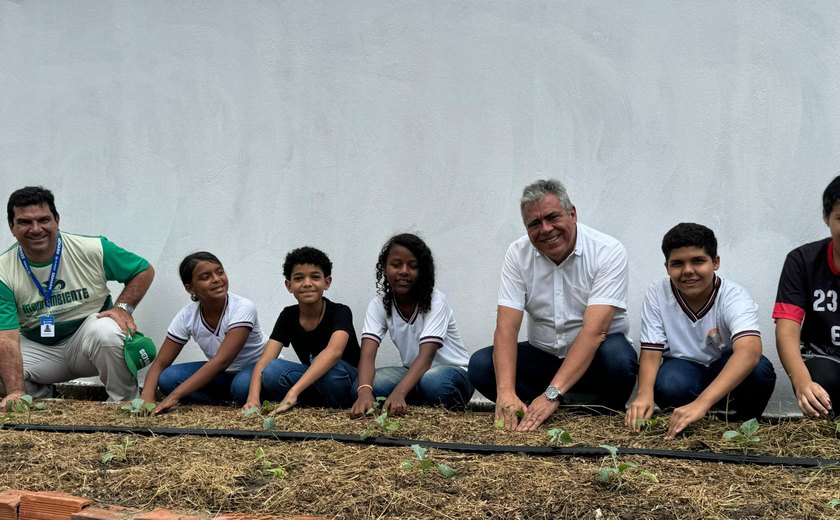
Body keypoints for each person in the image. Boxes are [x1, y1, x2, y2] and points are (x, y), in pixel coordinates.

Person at [468, 179, 637, 431]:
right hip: (544, 356)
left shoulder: (608, 251)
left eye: (553, 217)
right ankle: (562, 407)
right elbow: (506, 327)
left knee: (618, 357)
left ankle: (587, 407)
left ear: (573, 214)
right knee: (481, 364)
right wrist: (504, 392)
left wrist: (551, 394)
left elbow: (595, 331)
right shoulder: (517, 254)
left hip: (595, 358)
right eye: (534, 223)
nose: (546, 229)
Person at [0, 186, 155, 407]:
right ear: (12, 227)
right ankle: (38, 397)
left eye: (43, 220)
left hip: (87, 342)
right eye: (25, 222)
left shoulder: (92, 248)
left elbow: (142, 270)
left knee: (107, 329)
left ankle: (124, 402)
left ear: (57, 220)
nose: (36, 229)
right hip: (40, 347)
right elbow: (6, 338)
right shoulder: (3, 271)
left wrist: (122, 308)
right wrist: (15, 390)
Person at [625, 223, 776, 438]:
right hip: (684, 369)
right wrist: (643, 393)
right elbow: (650, 352)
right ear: (667, 267)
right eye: (677, 263)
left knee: (759, 369)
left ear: (715, 262)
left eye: (698, 261)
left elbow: (749, 350)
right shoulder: (657, 293)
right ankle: (688, 420)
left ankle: (743, 423)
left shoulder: (734, 295)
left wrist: (701, 403)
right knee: (669, 383)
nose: (688, 271)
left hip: (723, 367)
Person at [349, 233, 473, 417]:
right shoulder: (379, 304)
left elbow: (426, 357)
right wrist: (364, 392)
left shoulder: (435, 301)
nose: (404, 271)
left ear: (422, 271)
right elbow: (367, 356)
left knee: (434, 382)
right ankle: (413, 398)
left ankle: (412, 397)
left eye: (413, 266)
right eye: (396, 264)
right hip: (413, 374)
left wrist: (399, 392)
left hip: (453, 374)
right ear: (384, 268)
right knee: (362, 386)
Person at [233, 246, 360, 413]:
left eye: (315, 277)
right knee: (270, 370)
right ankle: (310, 404)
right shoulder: (288, 315)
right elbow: (265, 360)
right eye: (299, 278)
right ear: (289, 285)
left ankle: (324, 403)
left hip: (344, 379)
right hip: (313, 378)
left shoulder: (340, 311)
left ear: (327, 282)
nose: (307, 284)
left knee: (328, 367)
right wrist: (253, 398)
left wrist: (293, 391)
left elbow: (334, 352)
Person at [139, 252, 266, 414]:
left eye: (220, 272)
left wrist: (174, 396)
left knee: (241, 386)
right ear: (190, 288)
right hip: (224, 375)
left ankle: (237, 398)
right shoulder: (187, 316)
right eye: (206, 277)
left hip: (255, 370)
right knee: (168, 378)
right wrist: (147, 396)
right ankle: (220, 405)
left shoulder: (243, 307)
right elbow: (160, 364)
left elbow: (222, 360)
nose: (217, 279)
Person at [774, 175, 840, 417]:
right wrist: (802, 382)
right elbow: (787, 328)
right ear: (826, 218)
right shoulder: (802, 260)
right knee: (822, 382)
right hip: (824, 357)